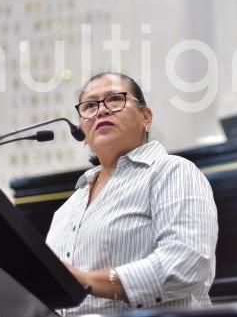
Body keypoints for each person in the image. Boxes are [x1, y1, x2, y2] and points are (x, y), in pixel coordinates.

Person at [46, 72, 218, 315]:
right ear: (82, 134)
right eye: (89, 106)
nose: (102, 111)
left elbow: (187, 263)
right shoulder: (66, 209)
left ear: (145, 117)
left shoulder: (171, 171)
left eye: (115, 99)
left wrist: (89, 281)